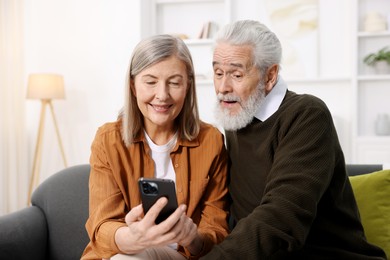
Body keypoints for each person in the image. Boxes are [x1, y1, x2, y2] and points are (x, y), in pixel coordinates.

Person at [201, 20, 387, 259]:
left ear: (270, 76)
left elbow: (282, 215)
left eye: (236, 74)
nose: (223, 87)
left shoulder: (307, 115)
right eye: (218, 73)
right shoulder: (238, 114)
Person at [81, 34, 229, 260]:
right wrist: (132, 238)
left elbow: (217, 233)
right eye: (150, 82)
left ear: (188, 86)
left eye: (174, 82)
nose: (162, 95)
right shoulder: (107, 140)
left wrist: (192, 237)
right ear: (133, 86)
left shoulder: (211, 141)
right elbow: (102, 226)